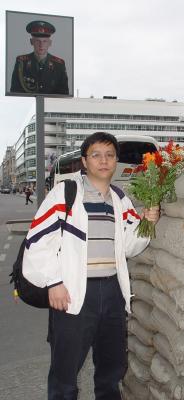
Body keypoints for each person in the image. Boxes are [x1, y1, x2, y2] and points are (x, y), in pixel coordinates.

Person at [22, 132, 160, 399]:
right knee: (65, 373)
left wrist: (148, 223)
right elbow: (38, 241)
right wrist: (54, 282)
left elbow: (130, 245)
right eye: (96, 155)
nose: (104, 161)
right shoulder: (66, 193)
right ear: (84, 161)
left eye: (110, 155)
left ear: (116, 161)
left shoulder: (120, 199)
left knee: (111, 370)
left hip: (112, 293)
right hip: (73, 291)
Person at [10, 20, 69, 95]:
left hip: (50, 105)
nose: (41, 45)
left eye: (45, 41)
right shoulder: (21, 62)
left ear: (50, 43)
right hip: (27, 105)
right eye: (37, 41)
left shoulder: (59, 64)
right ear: (31, 42)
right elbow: (15, 91)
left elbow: (64, 93)